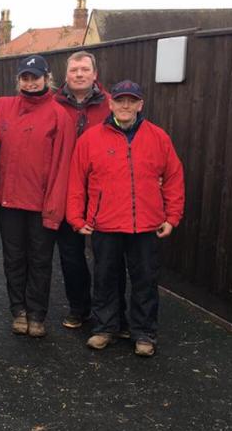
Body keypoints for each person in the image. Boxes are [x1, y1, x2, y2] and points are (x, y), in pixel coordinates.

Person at [66, 80, 185, 357]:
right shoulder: (91, 139)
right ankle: (106, 327)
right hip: (105, 222)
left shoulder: (158, 137)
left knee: (145, 279)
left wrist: (172, 216)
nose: (126, 106)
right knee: (105, 277)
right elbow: (76, 181)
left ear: (140, 105)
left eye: (132, 101)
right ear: (111, 103)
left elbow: (173, 178)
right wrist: (75, 217)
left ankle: (143, 333)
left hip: (146, 223)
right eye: (120, 100)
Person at [0, 55, 75, 338]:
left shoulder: (59, 116)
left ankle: (37, 314)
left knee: (40, 260)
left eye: (35, 77)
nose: (30, 83)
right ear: (19, 81)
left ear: (46, 78)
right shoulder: (3, 107)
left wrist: (55, 207)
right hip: (9, 200)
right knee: (13, 258)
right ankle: (19, 311)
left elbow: (63, 164)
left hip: (41, 203)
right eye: (25, 78)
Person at [54, 50, 116, 331]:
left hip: (104, 192)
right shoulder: (53, 105)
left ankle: (110, 314)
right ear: (66, 75)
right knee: (71, 256)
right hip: (68, 191)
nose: (79, 74)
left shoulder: (111, 105)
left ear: (95, 74)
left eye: (84, 69)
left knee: (107, 257)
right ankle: (79, 308)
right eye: (74, 70)